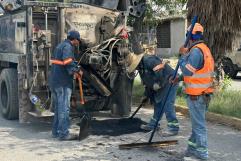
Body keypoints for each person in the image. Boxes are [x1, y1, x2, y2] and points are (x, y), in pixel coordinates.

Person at [178, 23, 215, 160]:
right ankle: (192, 149)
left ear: (190, 37)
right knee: (197, 124)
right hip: (204, 94)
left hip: (197, 96)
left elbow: (188, 70)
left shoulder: (195, 51)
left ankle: (202, 153)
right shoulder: (205, 49)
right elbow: (196, 72)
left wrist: (182, 56)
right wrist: (180, 78)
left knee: (199, 126)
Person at [127, 51, 179, 136]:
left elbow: (160, 70)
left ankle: (173, 128)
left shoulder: (149, 60)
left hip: (170, 80)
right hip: (160, 83)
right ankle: (154, 124)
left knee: (167, 104)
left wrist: (158, 83)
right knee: (157, 103)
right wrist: (146, 95)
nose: (135, 68)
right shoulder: (141, 68)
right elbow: (147, 83)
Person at [50, 30, 83, 141]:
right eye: (78, 40)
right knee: (64, 108)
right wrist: (77, 70)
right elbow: (68, 61)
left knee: (59, 108)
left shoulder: (60, 45)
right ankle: (64, 134)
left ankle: (56, 132)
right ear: (74, 39)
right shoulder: (68, 47)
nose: (78, 42)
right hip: (63, 82)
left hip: (55, 81)